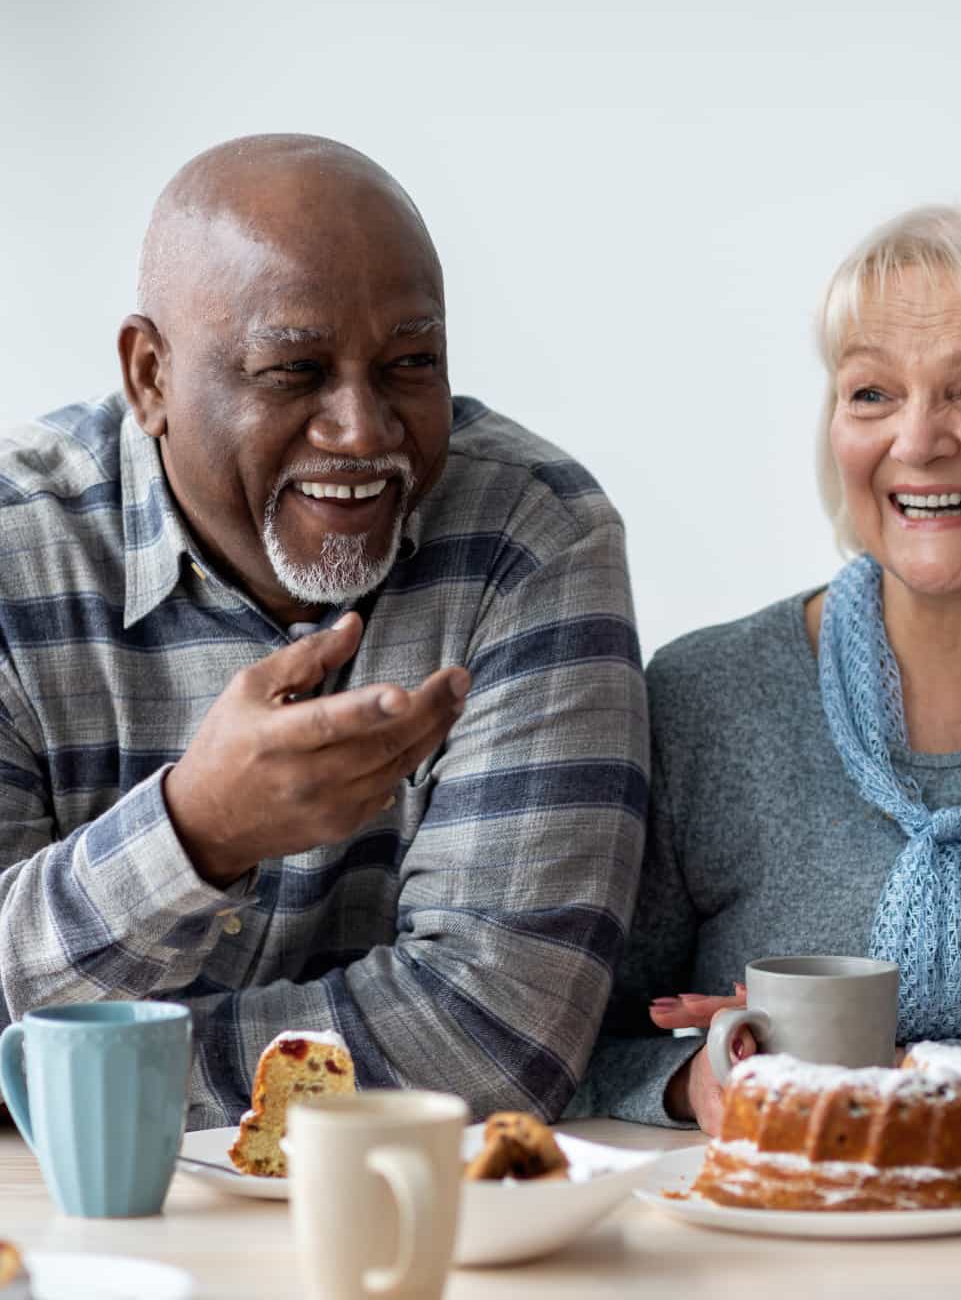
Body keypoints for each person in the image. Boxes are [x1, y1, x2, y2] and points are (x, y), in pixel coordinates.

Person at [0, 134, 647, 1130]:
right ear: (149, 376)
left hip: (411, 1217)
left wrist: (77, 1075)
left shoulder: (531, 539)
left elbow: (497, 1035)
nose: (361, 429)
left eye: (409, 364)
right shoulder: (16, 557)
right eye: (293, 371)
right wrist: (195, 831)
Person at [572, 195, 961, 1133]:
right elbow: (565, 1044)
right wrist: (686, 1084)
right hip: (771, 1251)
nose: (915, 443)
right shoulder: (704, 698)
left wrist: (906, 1078)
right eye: (872, 393)